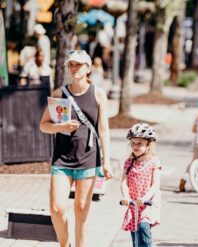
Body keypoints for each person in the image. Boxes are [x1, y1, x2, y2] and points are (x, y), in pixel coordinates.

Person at [40, 50, 113, 247]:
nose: (74, 68)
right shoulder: (60, 94)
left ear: (88, 68)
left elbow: (104, 130)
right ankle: (65, 244)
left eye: (78, 65)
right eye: (71, 64)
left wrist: (107, 162)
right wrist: (61, 127)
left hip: (89, 157)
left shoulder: (98, 94)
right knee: (56, 208)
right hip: (62, 158)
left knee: (81, 210)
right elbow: (43, 125)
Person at [120, 123, 161, 247]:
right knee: (135, 235)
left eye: (140, 143)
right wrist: (126, 197)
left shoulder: (154, 162)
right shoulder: (129, 162)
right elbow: (124, 183)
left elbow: (155, 184)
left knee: (143, 227)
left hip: (148, 202)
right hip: (133, 203)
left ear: (148, 145)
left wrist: (145, 198)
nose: (135, 146)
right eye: (133, 143)